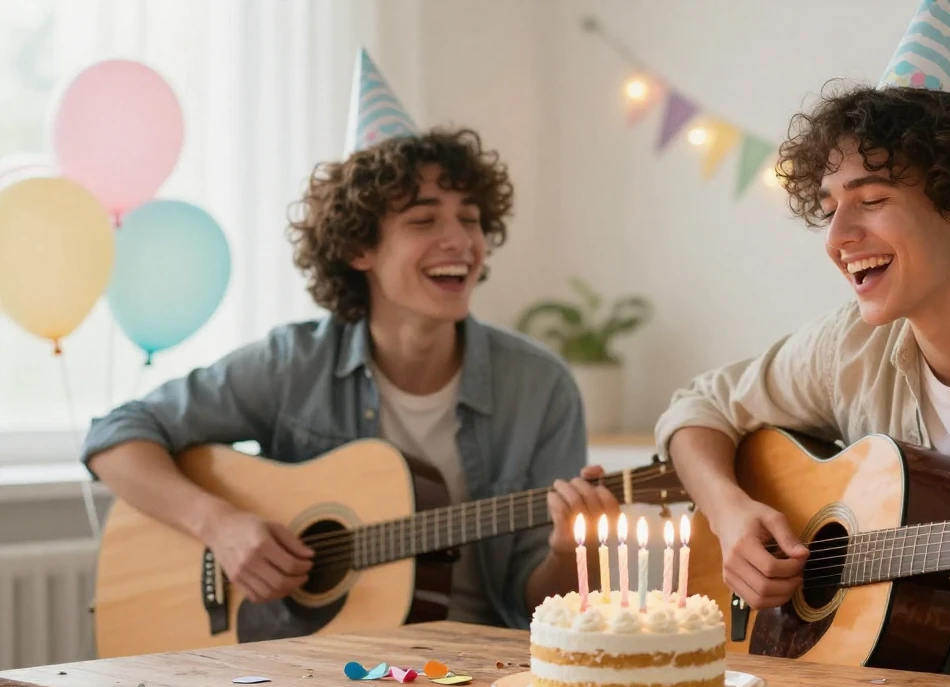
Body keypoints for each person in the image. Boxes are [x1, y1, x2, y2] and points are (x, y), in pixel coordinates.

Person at [552, 0, 950, 687]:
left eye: (871, 199)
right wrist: (732, 514)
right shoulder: (852, 346)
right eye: (829, 208)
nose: (837, 237)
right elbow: (696, 409)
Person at [82, 49, 590, 630]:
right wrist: (218, 524)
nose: (460, 240)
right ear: (359, 250)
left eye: (470, 219)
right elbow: (115, 435)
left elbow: (538, 606)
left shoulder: (541, 388)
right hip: (312, 679)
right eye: (424, 221)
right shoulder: (293, 364)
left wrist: (569, 550)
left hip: (478, 673)